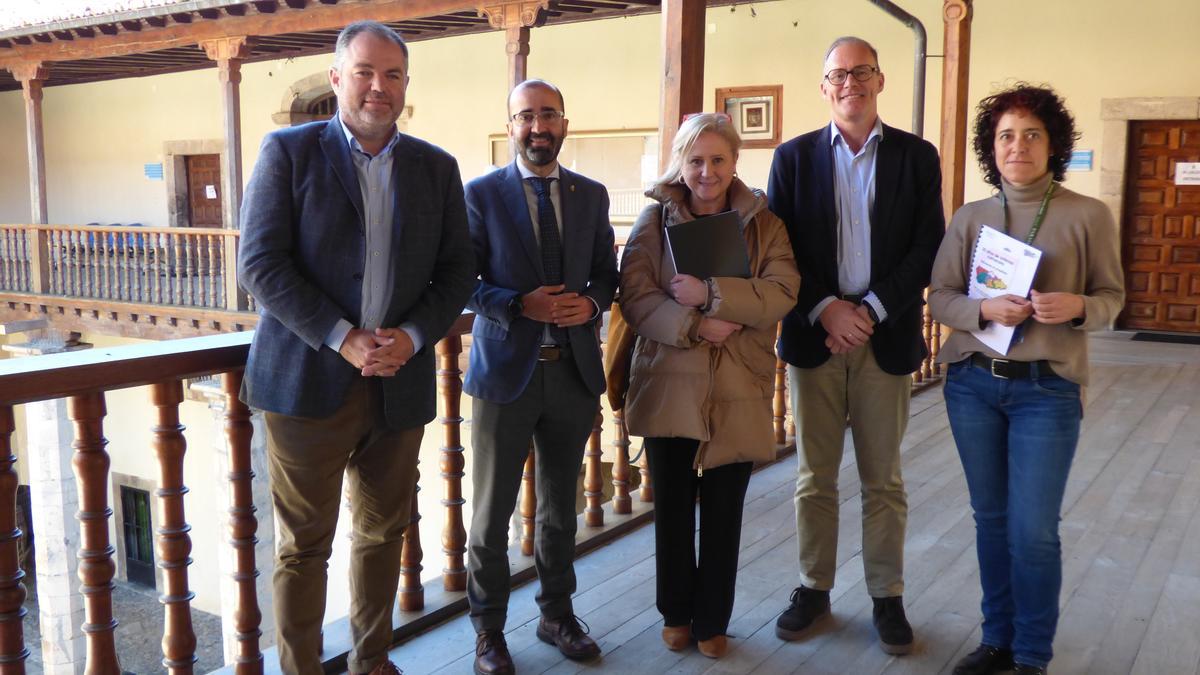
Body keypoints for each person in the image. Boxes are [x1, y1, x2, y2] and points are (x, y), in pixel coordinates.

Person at [237, 21, 475, 675]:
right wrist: (342, 337)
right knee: (304, 545)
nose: (379, 86)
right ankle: (301, 669)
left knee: (381, 533)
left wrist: (414, 335)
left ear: (404, 85)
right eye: (365, 71)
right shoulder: (288, 152)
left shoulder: (436, 167)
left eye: (393, 74)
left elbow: (458, 271)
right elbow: (259, 263)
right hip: (305, 384)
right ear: (338, 76)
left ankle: (373, 660)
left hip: (398, 382)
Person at [929, 84, 1124, 675]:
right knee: (990, 521)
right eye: (1006, 135)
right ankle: (997, 641)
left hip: (1048, 391)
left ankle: (1032, 655)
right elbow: (940, 297)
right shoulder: (971, 217)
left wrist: (1077, 307)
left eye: (1032, 134)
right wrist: (983, 311)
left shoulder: (1088, 214)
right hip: (973, 387)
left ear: (1053, 144)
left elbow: (1113, 298)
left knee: (1034, 530)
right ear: (993, 148)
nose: (1019, 146)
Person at [766, 35, 944, 654]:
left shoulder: (917, 157)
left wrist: (866, 309)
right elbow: (778, 252)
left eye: (861, 72)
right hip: (815, 338)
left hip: (884, 335)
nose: (850, 83)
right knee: (814, 477)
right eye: (838, 74)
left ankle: (886, 596)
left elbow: (927, 246)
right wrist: (825, 308)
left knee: (883, 479)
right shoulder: (790, 160)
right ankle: (813, 587)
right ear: (824, 87)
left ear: (880, 80)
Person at [620, 112, 800, 659]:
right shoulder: (653, 223)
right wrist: (696, 323)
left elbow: (783, 289)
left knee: (725, 510)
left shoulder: (764, 224)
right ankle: (676, 612)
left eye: (718, 159)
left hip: (737, 380)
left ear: (734, 163)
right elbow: (637, 295)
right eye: (696, 160)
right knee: (672, 506)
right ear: (681, 162)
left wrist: (712, 295)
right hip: (670, 379)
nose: (706, 171)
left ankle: (712, 620)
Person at [462, 79, 618, 675]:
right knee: (490, 514)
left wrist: (594, 304)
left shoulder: (591, 195)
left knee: (561, 507)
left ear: (564, 123)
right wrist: (515, 304)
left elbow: (607, 272)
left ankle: (556, 614)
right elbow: (460, 282)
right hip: (506, 377)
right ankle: (489, 632)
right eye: (525, 116)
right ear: (511, 126)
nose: (537, 126)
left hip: (573, 374)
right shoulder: (479, 195)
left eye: (548, 114)